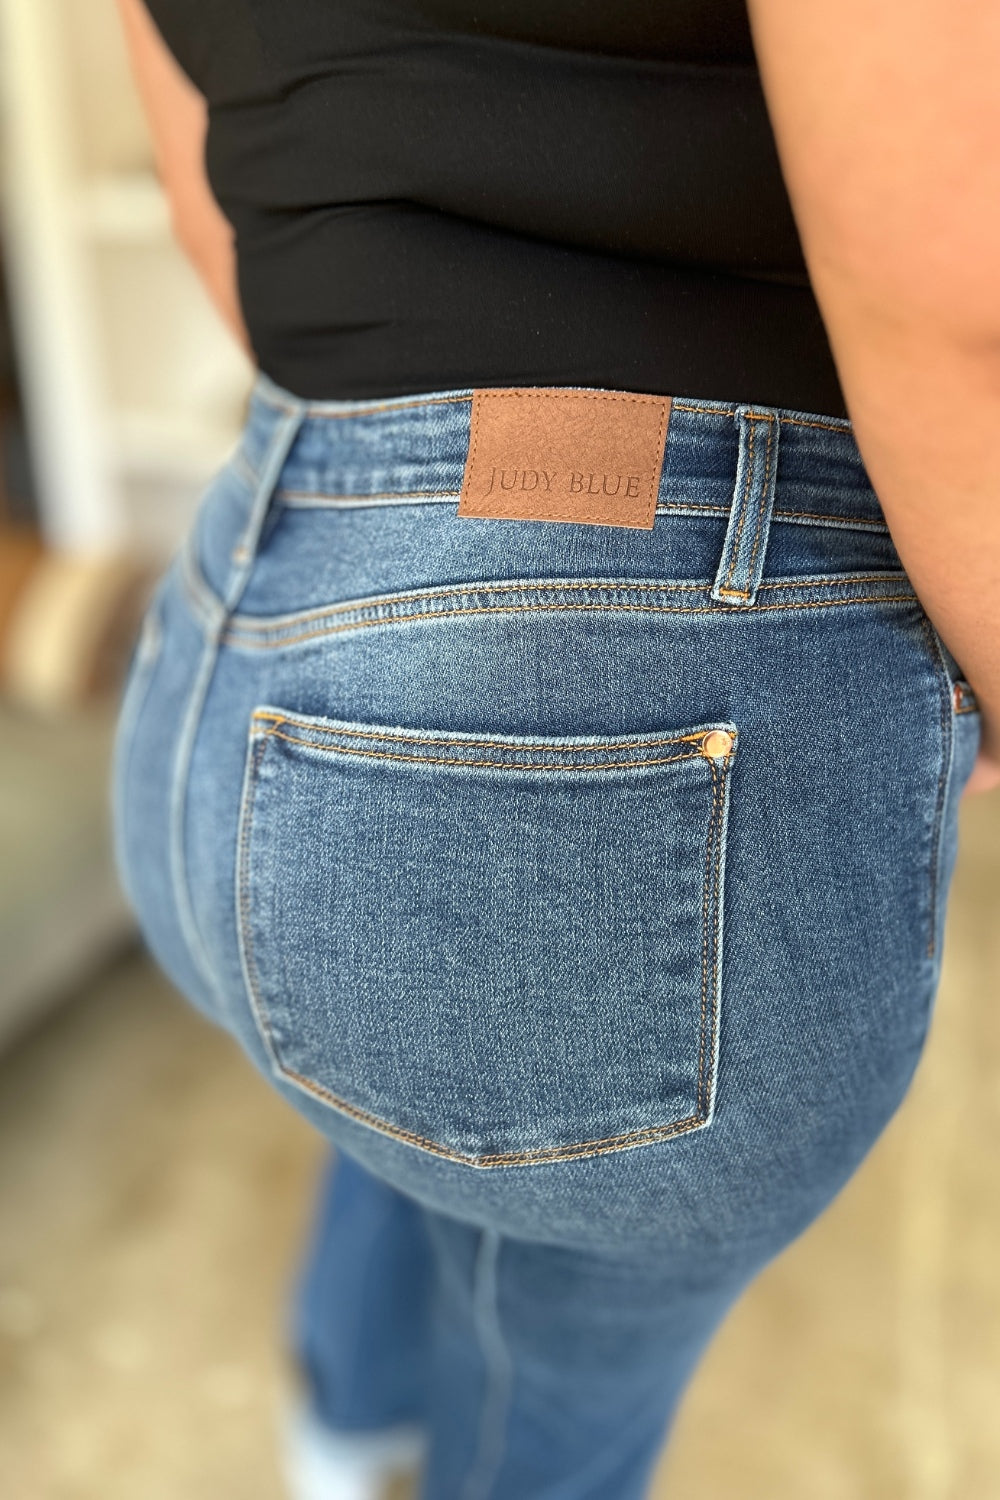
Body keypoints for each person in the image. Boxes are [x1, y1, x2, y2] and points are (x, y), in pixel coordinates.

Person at [109, 2, 1000, 1497]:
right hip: (587, 713)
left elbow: (212, 177)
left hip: (231, 623)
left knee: (398, 1089)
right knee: (562, 1372)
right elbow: (950, 307)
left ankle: (341, 1430)